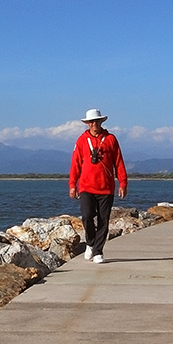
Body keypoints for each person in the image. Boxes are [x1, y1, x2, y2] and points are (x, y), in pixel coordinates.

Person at [68, 109, 128, 262]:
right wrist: (72, 185)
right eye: (91, 122)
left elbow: (118, 162)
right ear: (87, 123)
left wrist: (123, 182)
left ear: (101, 122)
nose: (94, 124)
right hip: (86, 187)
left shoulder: (111, 139)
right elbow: (75, 163)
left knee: (103, 220)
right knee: (87, 216)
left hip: (106, 188)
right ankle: (90, 242)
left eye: (96, 121)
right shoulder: (81, 140)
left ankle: (98, 251)